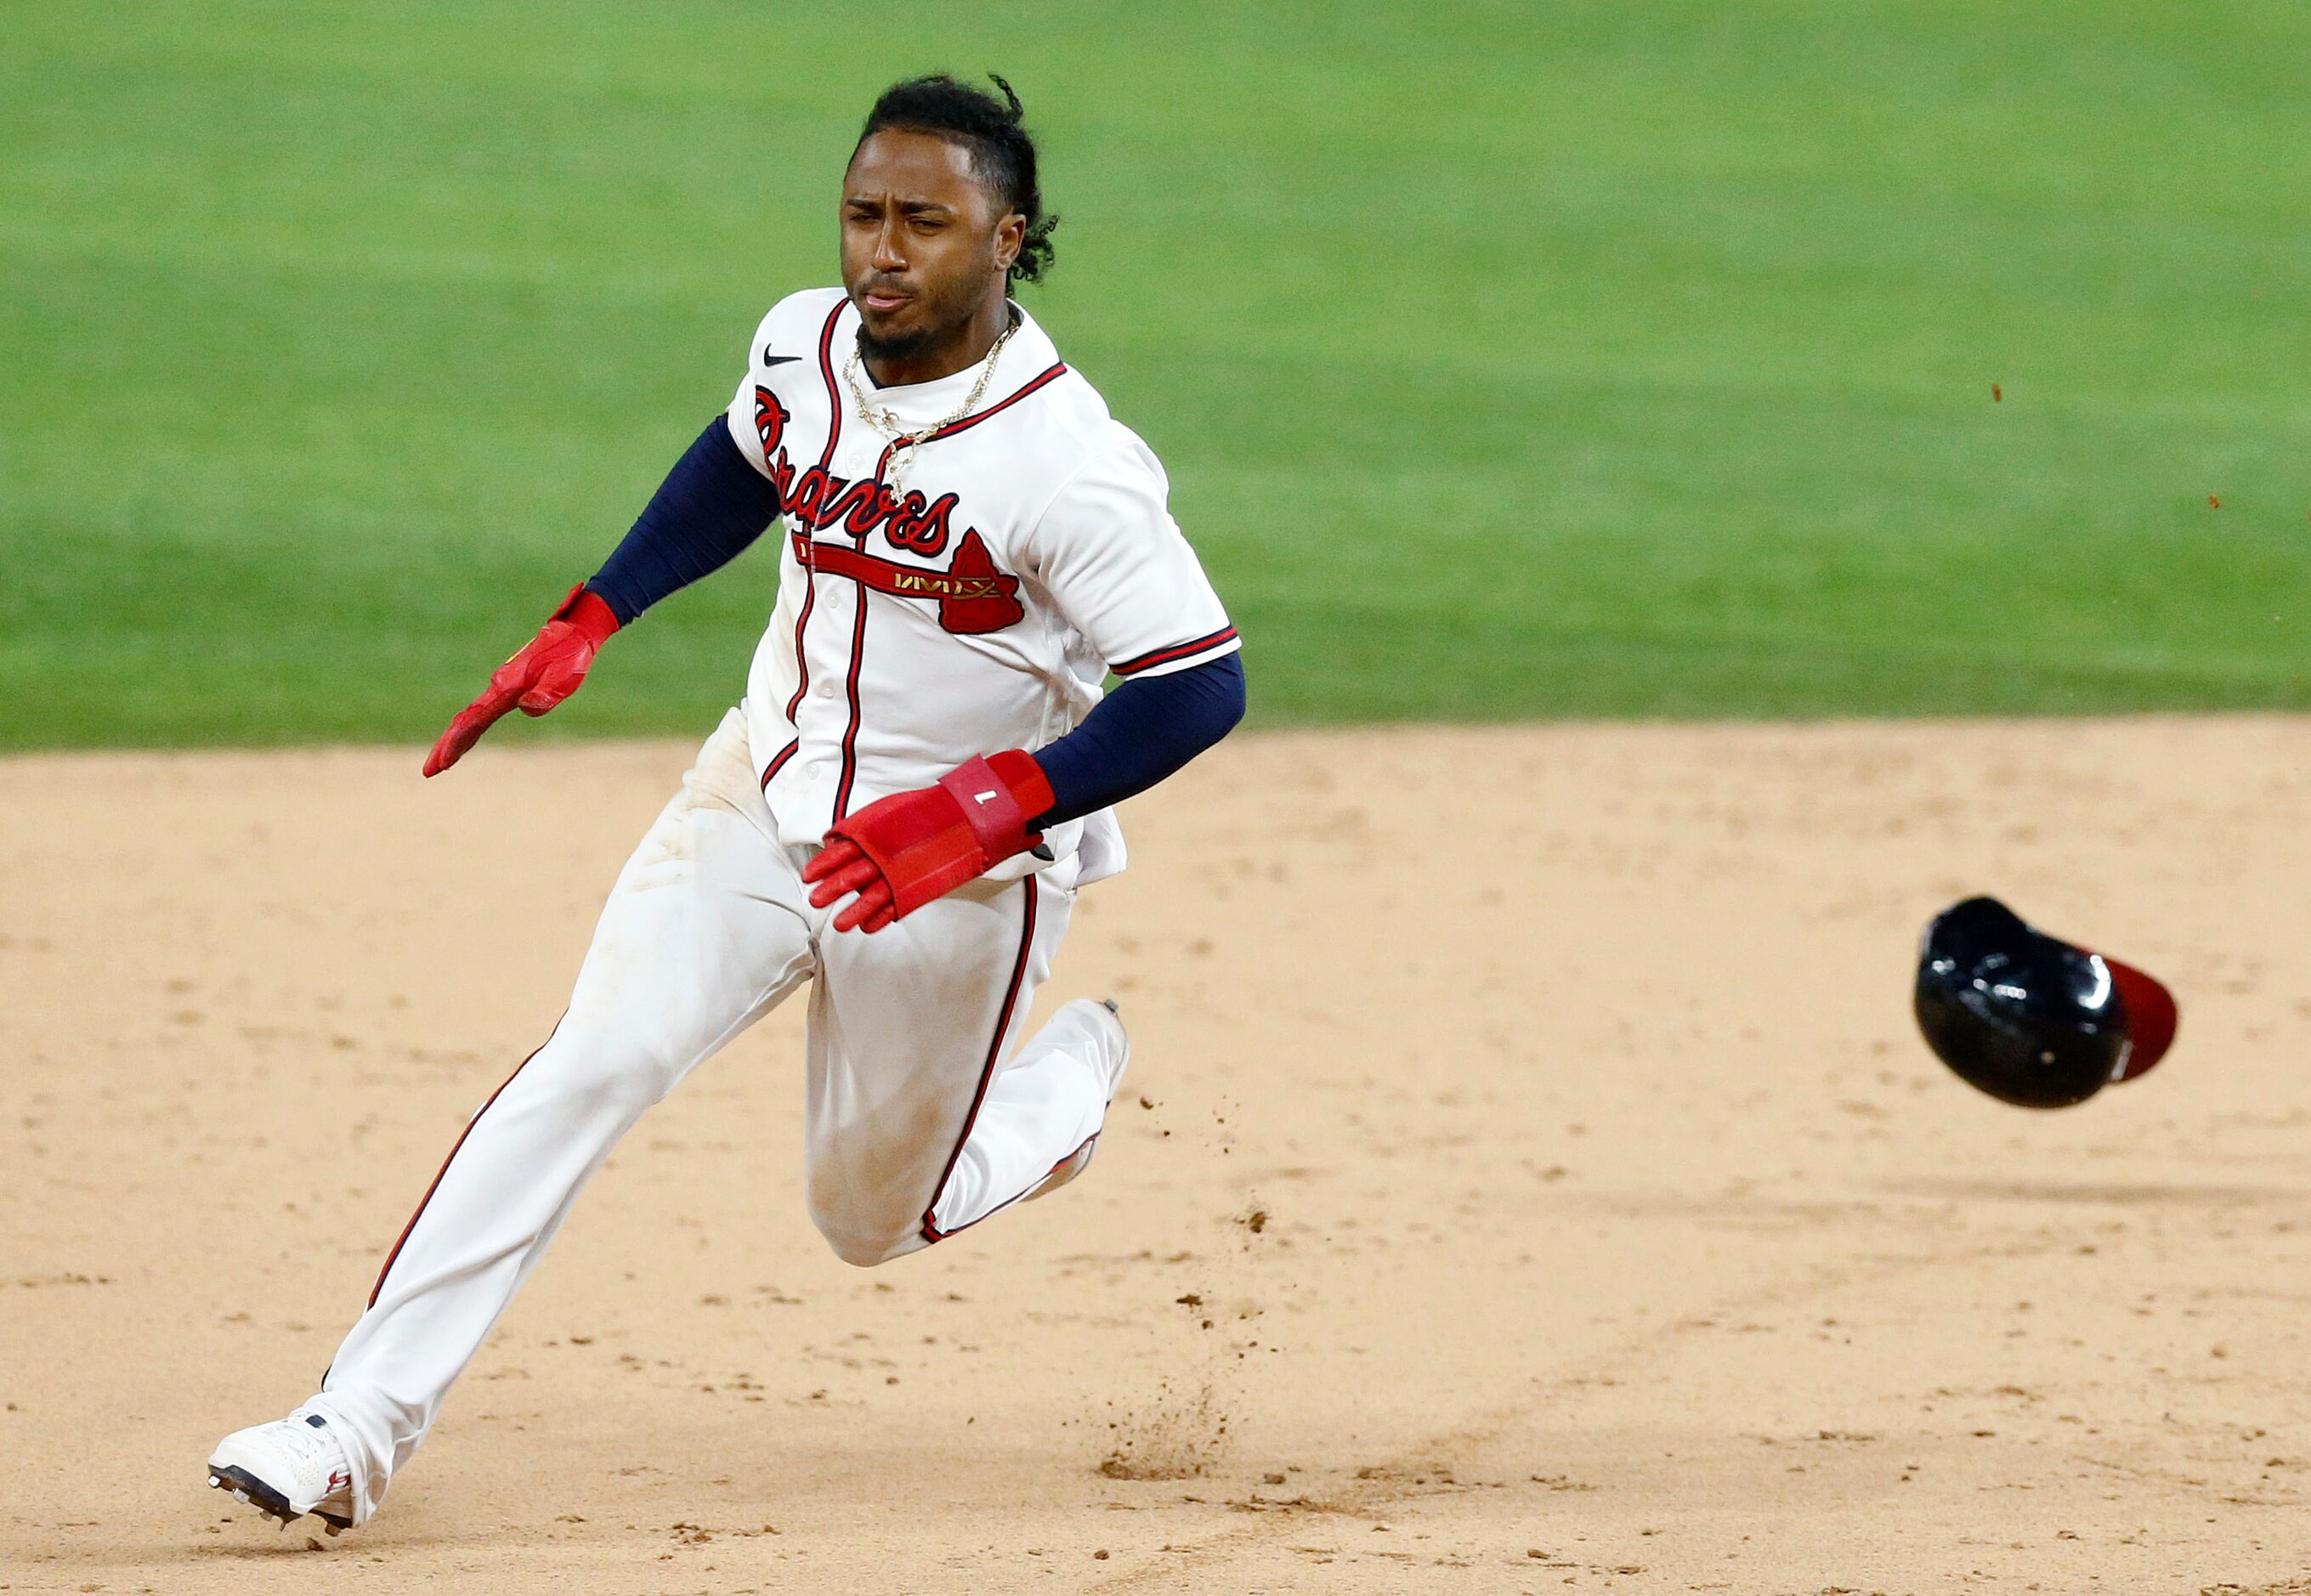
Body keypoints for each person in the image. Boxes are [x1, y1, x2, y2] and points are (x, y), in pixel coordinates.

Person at [206, 72, 1244, 1534]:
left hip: (958, 880)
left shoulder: (1069, 465)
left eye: (925, 223)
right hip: (759, 796)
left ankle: (1055, 1100)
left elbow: (1199, 684)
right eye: (862, 213)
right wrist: (596, 610)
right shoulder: (804, 341)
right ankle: (351, 1425)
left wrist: (989, 811)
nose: (881, 252)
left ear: (1007, 240)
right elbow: (745, 458)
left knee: (870, 1220)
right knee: (592, 1061)